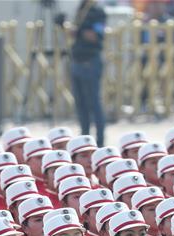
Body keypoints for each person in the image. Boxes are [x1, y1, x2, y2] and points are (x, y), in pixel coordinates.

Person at [68, 0, 106, 147]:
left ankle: (100, 141)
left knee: (94, 103)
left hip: (90, 62)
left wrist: (79, 31)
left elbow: (95, 35)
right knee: (80, 103)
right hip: (77, 61)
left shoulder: (97, 11)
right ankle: (85, 139)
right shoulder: (80, 8)